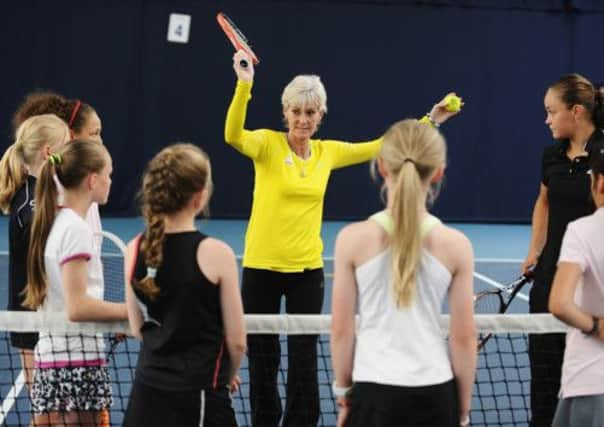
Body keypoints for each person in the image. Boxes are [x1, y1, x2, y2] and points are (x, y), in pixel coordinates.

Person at [224, 49, 461, 427]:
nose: (303, 119)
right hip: (260, 268)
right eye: (296, 111)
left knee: (305, 358)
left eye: (311, 112)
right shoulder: (266, 145)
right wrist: (244, 84)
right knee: (264, 359)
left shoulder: (327, 153)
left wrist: (431, 120)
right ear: (285, 112)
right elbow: (233, 134)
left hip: (307, 270)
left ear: (321, 115)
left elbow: (384, 145)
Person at [330, 119, 476, 427]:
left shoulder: (351, 240)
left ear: (382, 166)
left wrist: (344, 394)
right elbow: (463, 339)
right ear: (438, 171)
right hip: (437, 397)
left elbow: (342, 331)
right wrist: (461, 411)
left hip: (372, 396)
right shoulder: (457, 246)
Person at [123, 144, 246, 427]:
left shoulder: (133, 249)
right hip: (200, 397)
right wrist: (224, 379)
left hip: (146, 396)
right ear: (200, 197)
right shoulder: (217, 254)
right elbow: (237, 341)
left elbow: (136, 326)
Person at [23, 139, 128, 426]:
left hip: (55, 358)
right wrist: (129, 313)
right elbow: (78, 306)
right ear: (92, 180)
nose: (110, 180)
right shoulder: (77, 230)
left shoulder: (58, 222)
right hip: (77, 362)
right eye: (108, 174)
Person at [522, 73, 604, 427]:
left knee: (585, 377)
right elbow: (543, 202)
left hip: (591, 289)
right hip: (550, 280)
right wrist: (534, 250)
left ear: (576, 112)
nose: (547, 120)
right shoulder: (551, 154)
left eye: (551, 112)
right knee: (543, 379)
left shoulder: (603, 156)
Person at [0, 114, 70, 404]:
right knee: (47, 407)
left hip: (45, 317)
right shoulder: (32, 208)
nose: (71, 150)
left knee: (52, 408)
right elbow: (46, 269)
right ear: (48, 152)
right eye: (67, 144)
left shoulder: (43, 193)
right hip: (34, 320)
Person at [549, 146, 604, 427]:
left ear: (600, 184)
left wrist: (596, 325)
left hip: (590, 385)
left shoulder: (581, 231)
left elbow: (559, 304)